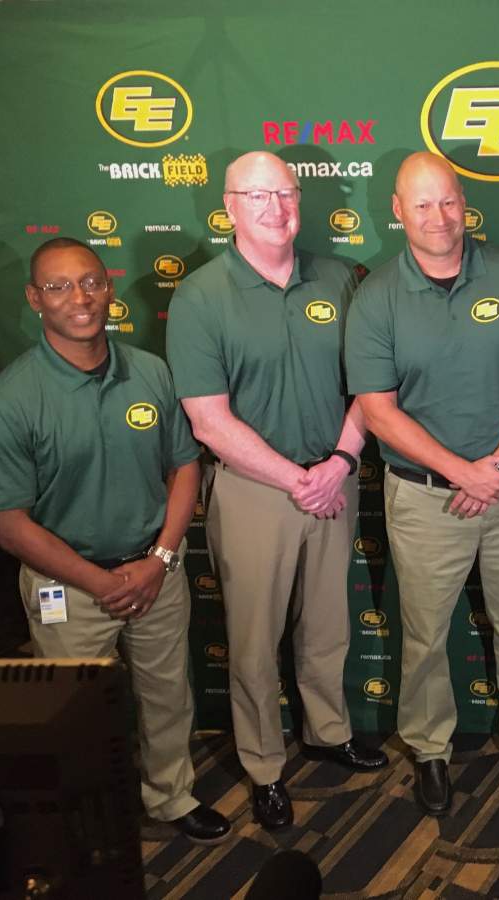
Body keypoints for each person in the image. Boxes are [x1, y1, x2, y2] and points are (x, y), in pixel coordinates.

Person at [0, 237, 231, 844]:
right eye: (59, 287)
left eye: (90, 282)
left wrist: (159, 560)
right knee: (78, 714)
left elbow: (184, 467)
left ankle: (171, 797)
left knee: (169, 694)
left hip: (154, 571)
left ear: (109, 288)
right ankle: (93, 819)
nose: (79, 298)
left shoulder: (151, 372)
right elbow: (7, 523)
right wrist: (101, 583)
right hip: (71, 586)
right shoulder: (7, 402)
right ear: (36, 299)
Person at [166, 151, 385, 831]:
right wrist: (296, 479)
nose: (276, 208)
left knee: (327, 627)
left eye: (286, 193)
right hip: (258, 493)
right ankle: (264, 767)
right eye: (257, 196)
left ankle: (328, 730)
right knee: (255, 642)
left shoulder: (337, 279)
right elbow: (208, 418)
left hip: (334, 479)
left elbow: (370, 386)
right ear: (228, 206)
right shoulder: (200, 295)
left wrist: (343, 460)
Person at [345, 151, 499, 816]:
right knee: (425, 634)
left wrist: (495, 466)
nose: (438, 217)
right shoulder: (377, 295)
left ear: (465, 200)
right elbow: (378, 408)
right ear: (396, 210)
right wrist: (458, 470)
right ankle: (431, 751)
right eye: (421, 204)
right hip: (424, 497)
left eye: (447, 201)